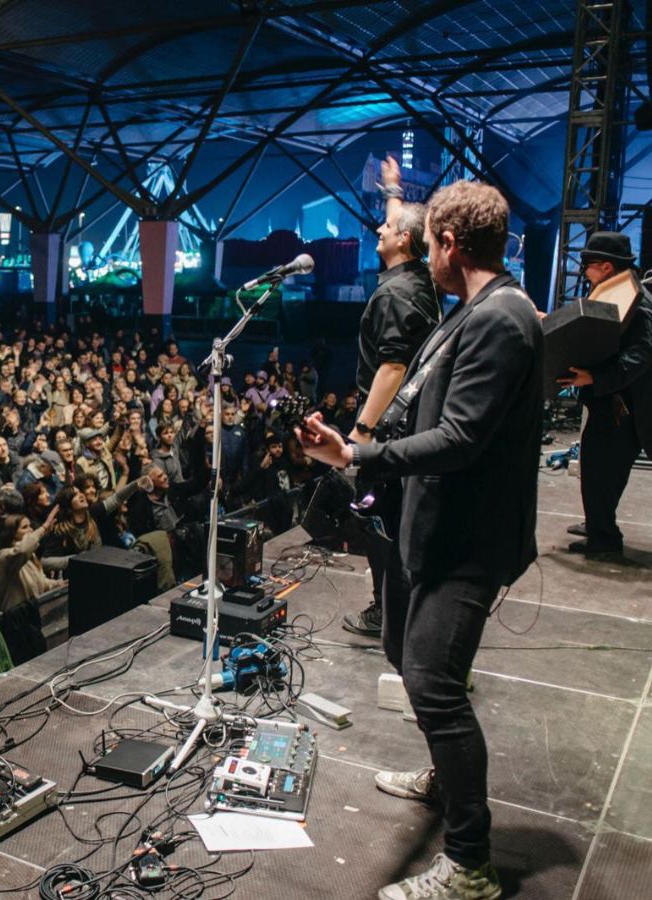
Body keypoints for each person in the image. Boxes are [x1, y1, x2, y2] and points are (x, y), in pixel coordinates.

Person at [297, 180, 542, 900]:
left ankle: (470, 865)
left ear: (448, 245)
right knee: (406, 656)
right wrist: (358, 445)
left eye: (429, 239)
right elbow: (417, 401)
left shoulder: (502, 319)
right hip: (431, 522)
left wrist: (358, 457)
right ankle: (447, 775)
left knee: (433, 682)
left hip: (468, 536)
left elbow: (462, 438)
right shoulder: (473, 311)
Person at [344, 155, 442, 637]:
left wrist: (362, 430)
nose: (378, 230)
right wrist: (392, 188)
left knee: (378, 521)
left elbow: (392, 366)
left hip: (389, 426)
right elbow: (404, 222)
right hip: (416, 419)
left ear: (404, 239)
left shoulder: (393, 296)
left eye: (388, 227)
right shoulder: (420, 276)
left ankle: (386, 611)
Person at [557, 231, 652, 556]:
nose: (584, 272)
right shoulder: (616, 292)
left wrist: (595, 378)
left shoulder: (636, 301)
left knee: (602, 471)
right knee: (598, 469)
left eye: (589, 265)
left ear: (607, 267)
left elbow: (640, 355)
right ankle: (597, 523)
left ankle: (605, 540)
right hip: (611, 402)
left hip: (622, 408)